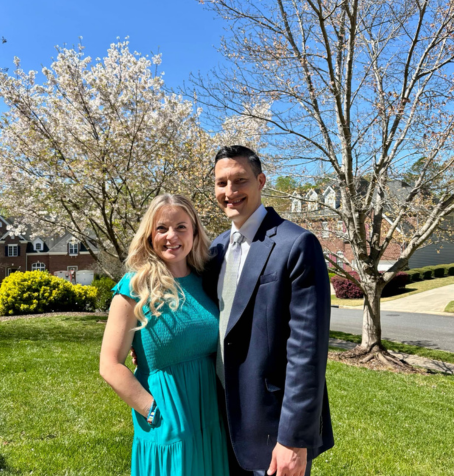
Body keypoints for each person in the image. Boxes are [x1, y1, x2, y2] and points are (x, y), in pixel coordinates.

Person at [203, 145, 334, 476]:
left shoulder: (296, 244)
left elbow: (307, 352)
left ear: (260, 181)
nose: (230, 192)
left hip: (273, 431)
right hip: (218, 421)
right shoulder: (214, 250)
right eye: (221, 183)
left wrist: (293, 439)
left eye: (240, 180)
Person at [99, 194, 229, 476]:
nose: (172, 236)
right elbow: (109, 364)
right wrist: (152, 410)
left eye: (181, 227)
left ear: (194, 232)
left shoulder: (206, 281)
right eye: (162, 228)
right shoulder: (134, 288)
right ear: (149, 235)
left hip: (209, 415)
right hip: (166, 419)